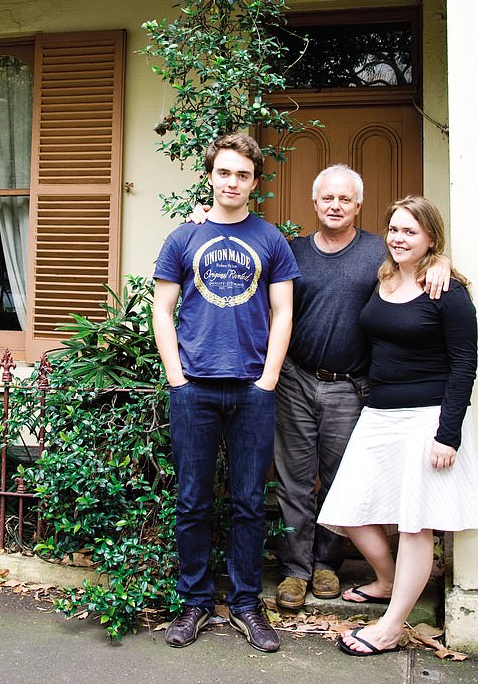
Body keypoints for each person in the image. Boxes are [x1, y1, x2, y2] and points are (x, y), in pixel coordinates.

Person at [192, 165, 450, 611]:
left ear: (358, 206)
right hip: (295, 378)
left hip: (352, 385)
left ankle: (327, 564)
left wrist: (441, 260)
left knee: (338, 479)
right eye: (327, 199)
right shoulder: (290, 251)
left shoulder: (380, 253)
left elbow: (418, 262)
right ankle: (295, 570)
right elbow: (248, 267)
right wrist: (202, 218)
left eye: (344, 200)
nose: (335, 206)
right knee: (292, 481)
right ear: (314, 204)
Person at [317, 195, 478, 657]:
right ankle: (388, 580)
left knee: (416, 524)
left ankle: (393, 625)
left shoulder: (447, 289)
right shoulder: (385, 275)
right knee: (347, 507)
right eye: (393, 229)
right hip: (380, 414)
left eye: (410, 231)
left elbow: (464, 364)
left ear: (431, 237)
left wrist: (447, 434)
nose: (397, 238)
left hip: (427, 416)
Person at [153, 133, 300, 653]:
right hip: (193, 389)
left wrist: (268, 380)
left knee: (249, 503)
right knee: (192, 501)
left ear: (255, 183)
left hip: (252, 389)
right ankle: (193, 602)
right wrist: (176, 376)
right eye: (224, 173)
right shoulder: (183, 239)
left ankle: (244, 605)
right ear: (210, 176)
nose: (232, 182)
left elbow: (284, 312)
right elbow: (161, 310)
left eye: (243, 174)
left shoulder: (271, 240)